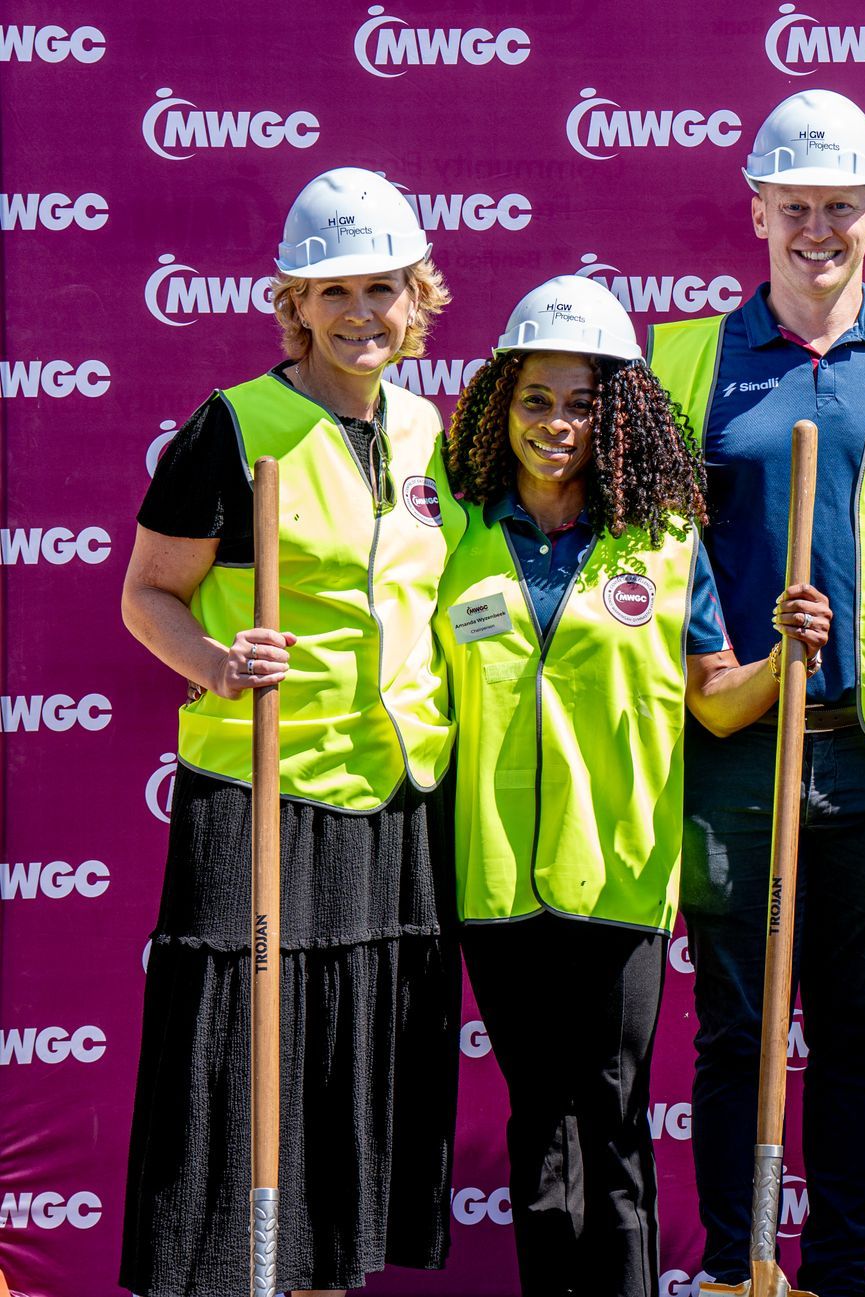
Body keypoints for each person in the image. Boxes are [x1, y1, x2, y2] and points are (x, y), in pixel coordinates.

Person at [643, 89, 865, 1296]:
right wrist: (720, 680)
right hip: (736, 742)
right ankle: (740, 1269)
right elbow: (656, 563)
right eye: (796, 206)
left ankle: (842, 1273)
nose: (818, 229)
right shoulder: (682, 360)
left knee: (854, 1033)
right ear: (757, 211)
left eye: (842, 206)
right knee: (736, 1031)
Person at [435, 274, 828, 1297]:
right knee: (538, 1127)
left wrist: (784, 659)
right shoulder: (457, 531)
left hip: (620, 876)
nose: (556, 423)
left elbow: (716, 701)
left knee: (610, 1127)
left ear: (617, 414)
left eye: (581, 402)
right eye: (535, 399)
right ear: (500, 404)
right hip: (496, 882)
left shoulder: (662, 540)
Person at [119, 167, 464, 1297]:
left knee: (348, 1073)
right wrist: (218, 665)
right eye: (336, 291)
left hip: (394, 799)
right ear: (297, 304)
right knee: (239, 1070)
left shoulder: (430, 432)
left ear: (418, 296)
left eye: (383, 288)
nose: (363, 313)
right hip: (261, 791)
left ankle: (323, 1283)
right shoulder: (233, 425)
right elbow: (147, 594)